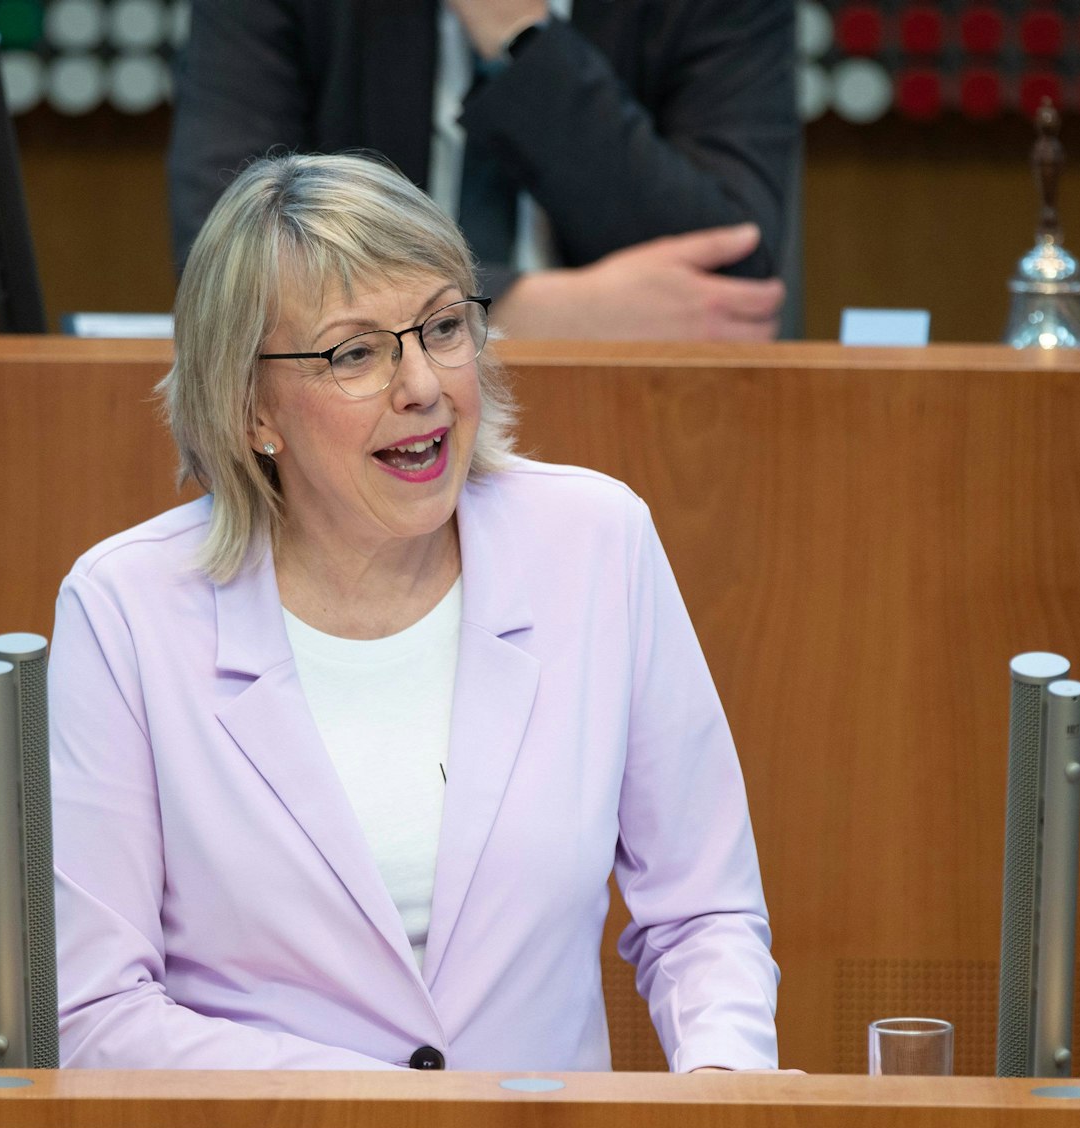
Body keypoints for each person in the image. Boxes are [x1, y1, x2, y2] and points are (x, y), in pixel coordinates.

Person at [52, 152, 780, 1072]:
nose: (423, 386)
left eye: (442, 327)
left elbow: (702, 915)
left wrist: (724, 1086)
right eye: (355, 352)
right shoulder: (125, 612)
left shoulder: (595, 543)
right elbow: (98, 1015)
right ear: (249, 411)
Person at [167, 0, 795, 342]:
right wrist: (525, 314)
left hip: (641, 423)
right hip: (352, 429)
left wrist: (518, 33)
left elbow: (734, 284)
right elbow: (227, 251)